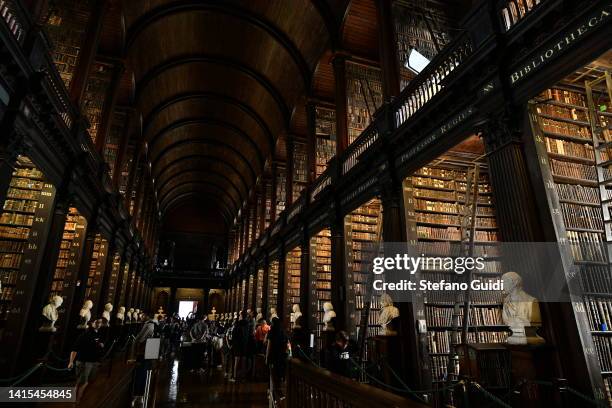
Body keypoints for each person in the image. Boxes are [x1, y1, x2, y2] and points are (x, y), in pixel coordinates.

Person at [68, 318, 105, 403]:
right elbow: (74, 349)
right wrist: (71, 362)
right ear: (92, 323)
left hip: (93, 361)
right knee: (82, 382)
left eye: (100, 322)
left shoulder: (97, 334)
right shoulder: (85, 334)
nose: (99, 324)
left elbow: (98, 344)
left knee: (84, 381)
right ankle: (77, 400)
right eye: (97, 322)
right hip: (85, 361)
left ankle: (76, 399)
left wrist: (100, 345)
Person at [266, 317, 290, 401]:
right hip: (281, 357)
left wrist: (266, 357)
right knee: (279, 375)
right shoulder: (283, 332)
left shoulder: (271, 331)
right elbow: (287, 345)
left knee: (272, 375)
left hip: (273, 356)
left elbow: (269, 346)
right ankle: (278, 394)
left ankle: (272, 394)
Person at [230, 311, 249, 382]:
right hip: (244, 344)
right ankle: (243, 377)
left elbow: (234, 334)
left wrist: (232, 343)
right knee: (243, 361)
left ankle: (235, 377)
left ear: (241, 315)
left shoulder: (238, 323)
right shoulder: (247, 323)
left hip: (237, 344)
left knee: (236, 360)